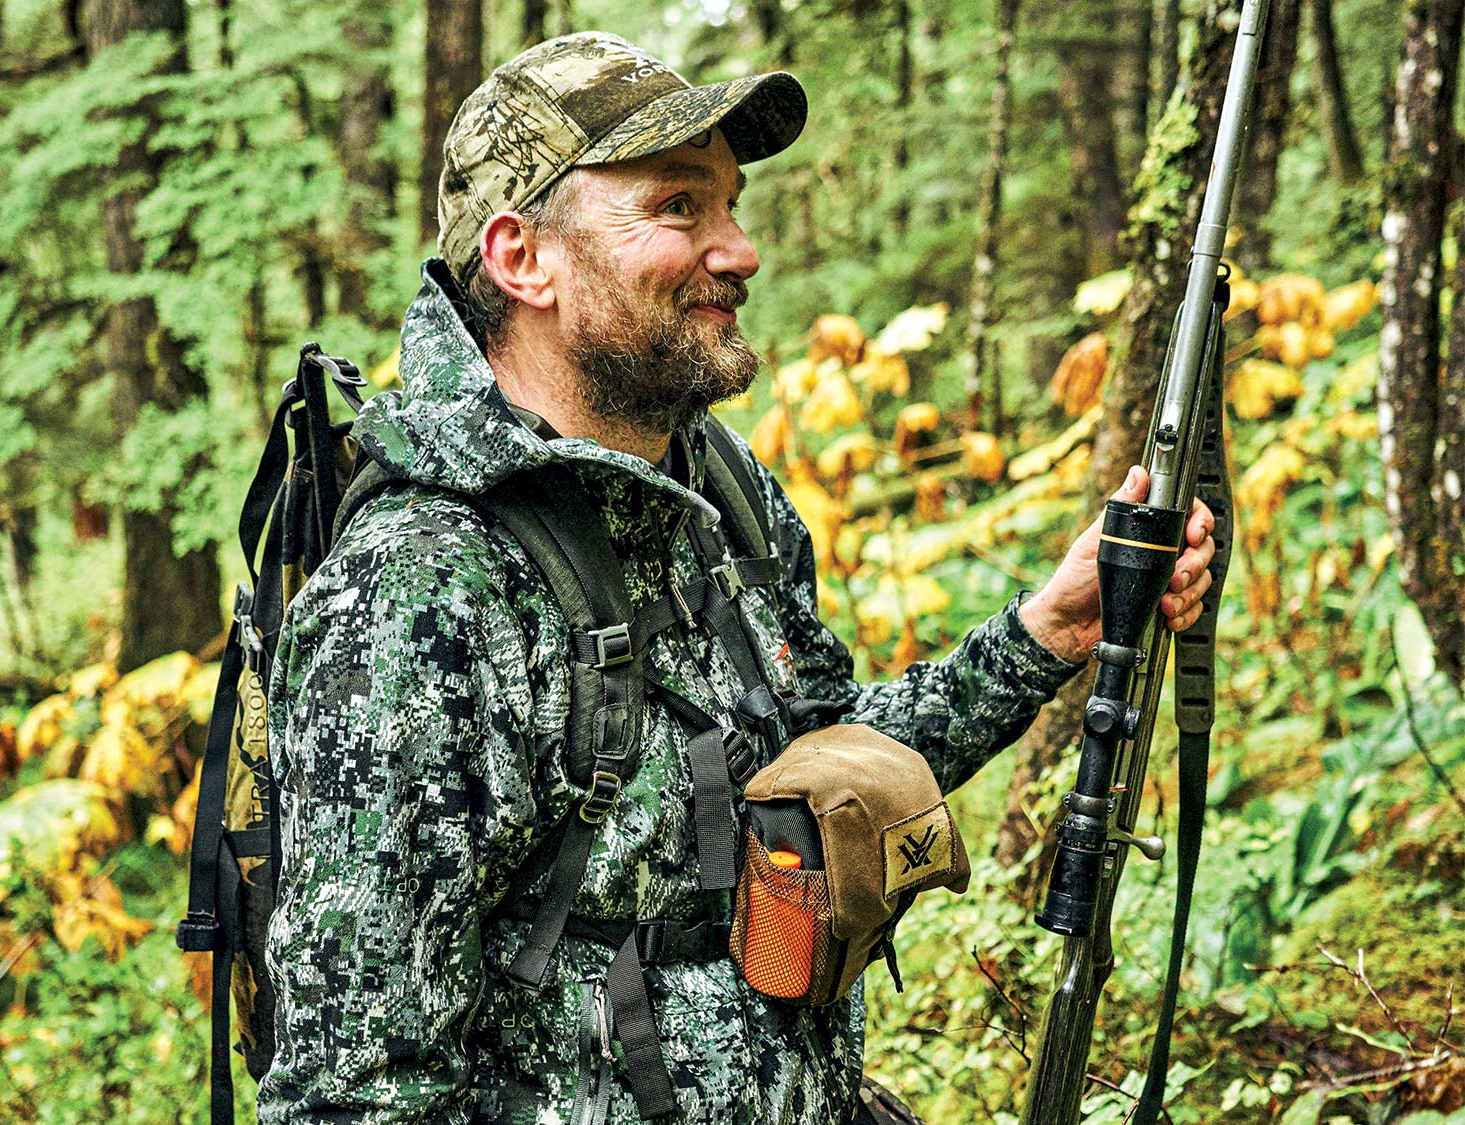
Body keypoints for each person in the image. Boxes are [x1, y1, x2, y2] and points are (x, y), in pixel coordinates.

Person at [258, 31, 1215, 1125]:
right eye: (679, 207)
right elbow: (359, 1095)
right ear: (525, 259)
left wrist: (1047, 631)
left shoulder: (719, 490)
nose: (740, 250)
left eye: (731, 205)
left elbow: (821, 773)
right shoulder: (417, 595)